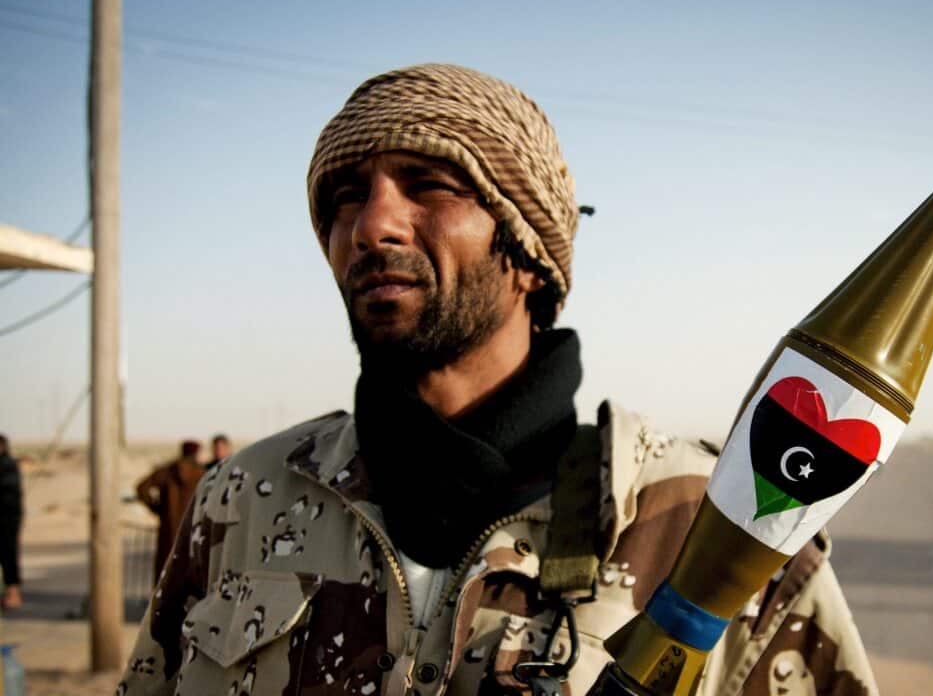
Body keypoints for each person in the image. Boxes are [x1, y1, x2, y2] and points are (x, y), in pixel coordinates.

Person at [119, 64, 879, 696]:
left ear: (526, 249)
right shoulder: (244, 496)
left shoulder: (709, 524)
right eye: (346, 196)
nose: (372, 224)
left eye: (429, 185)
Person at [134, 440, 205, 585]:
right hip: (192, 531)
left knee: (165, 576)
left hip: (168, 532)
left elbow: (142, 488)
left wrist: (159, 508)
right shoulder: (202, 475)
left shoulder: (167, 471)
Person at [0, 434, 22, 611]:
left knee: (8, 555)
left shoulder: (7, 465)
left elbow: (9, 488)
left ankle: (13, 594)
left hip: (7, 519)